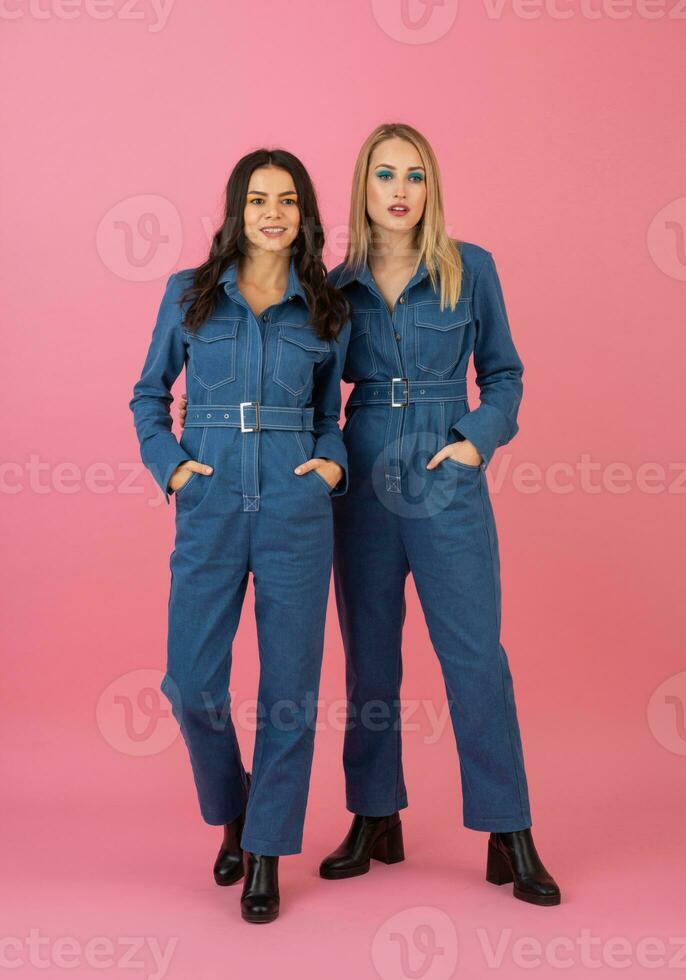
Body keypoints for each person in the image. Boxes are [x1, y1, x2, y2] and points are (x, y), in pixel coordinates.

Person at [320, 123, 560, 906]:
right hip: (361, 471)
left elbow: (507, 377)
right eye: (385, 175)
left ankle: (509, 829)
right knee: (371, 658)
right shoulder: (334, 285)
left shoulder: (470, 270)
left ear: (431, 188)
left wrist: (471, 443)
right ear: (364, 187)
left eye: (414, 176)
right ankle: (374, 814)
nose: (399, 191)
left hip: (442, 466)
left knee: (474, 656)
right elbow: (318, 395)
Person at [130, 148, 351, 923]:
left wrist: (329, 462)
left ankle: (266, 850)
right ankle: (235, 810)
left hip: (296, 511)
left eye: (288, 200)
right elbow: (147, 395)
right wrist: (174, 470)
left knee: (290, 692)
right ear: (236, 208)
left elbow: (332, 416)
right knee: (192, 682)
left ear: (304, 214)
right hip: (211, 502)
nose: (273, 212)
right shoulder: (189, 295)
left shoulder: (327, 306)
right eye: (258, 198)